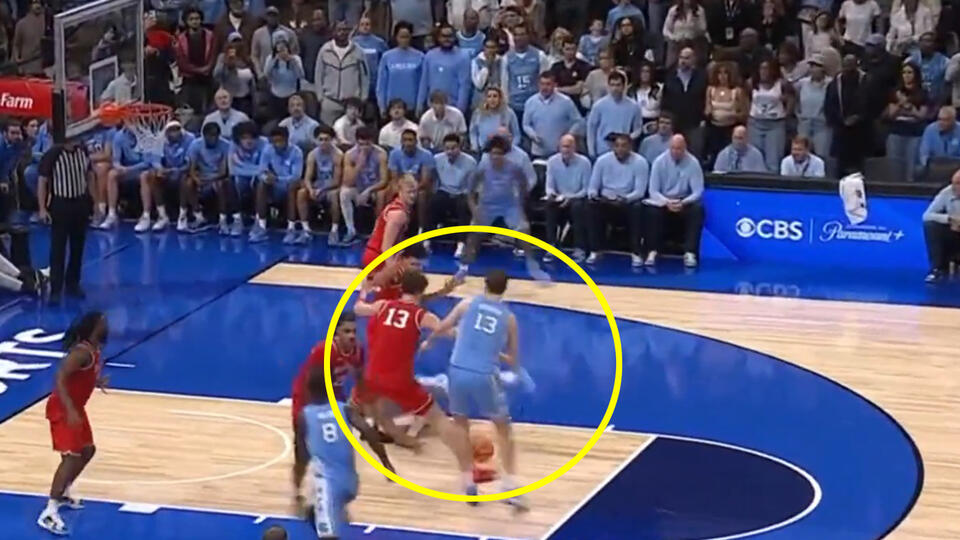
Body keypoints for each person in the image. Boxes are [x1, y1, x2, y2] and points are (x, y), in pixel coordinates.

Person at [352, 269, 475, 497]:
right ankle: (469, 478)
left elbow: (358, 308)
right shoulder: (421, 315)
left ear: (401, 288)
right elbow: (450, 332)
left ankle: (328, 453)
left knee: (354, 410)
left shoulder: (382, 305)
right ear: (420, 292)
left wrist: (363, 291)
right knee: (439, 421)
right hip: (400, 381)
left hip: (372, 377)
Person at [421, 269, 528, 510]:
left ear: (484, 285)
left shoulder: (467, 304)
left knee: (460, 425)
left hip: (457, 370)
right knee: (503, 428)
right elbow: (512, 359)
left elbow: (443, 326)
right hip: (484, 375)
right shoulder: (509, 318)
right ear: (505, 289)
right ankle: (509, 485)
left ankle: (468, 483)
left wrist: (429, 342)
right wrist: (510, 364)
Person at [290, 315, 393, 513]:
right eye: (347, 331)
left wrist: (363, 401)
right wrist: (314, 412)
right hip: (307, 397)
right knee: (302, 453)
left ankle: (335, 488)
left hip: (334, 394)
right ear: (336, 333)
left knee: (345, 439)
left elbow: (360, 377)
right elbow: (311, 382)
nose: (352, 336)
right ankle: (297, 490)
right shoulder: (324, 351)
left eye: (354, 331)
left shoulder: (357, 350)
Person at [37, 312, 109, 535]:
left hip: (76, 408)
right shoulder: (81, 352)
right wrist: (69, 409)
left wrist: (97, 381)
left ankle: (63, 492)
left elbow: (82, 377)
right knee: (71, 457)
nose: (107, 325)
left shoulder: (95, 350)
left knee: (87, 450)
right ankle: (49, 511)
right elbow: (60, 378)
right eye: (103, 322)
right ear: (94, 326)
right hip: (64, 408)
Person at [460, 136, 549, 282]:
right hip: (487, 205)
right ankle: (463, 268)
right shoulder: (482, 168)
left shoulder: (514, 167)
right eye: (493, 153)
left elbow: (524, 184)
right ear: (489, 154)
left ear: (505, 154)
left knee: (524, 229)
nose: (496, 156)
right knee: (473, 236)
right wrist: (475, 211)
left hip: (509, 206)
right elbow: (469, 192)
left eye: (499, 153)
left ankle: (532, 265)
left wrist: (519, 205)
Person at [295, 368, 358, 538]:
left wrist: (297, 483)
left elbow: (301, 457)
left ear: (309, 389)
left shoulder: (305, 416)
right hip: (351, 480)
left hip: (328, 482)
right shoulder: (344, 409)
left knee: (327, 535)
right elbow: (368, 431)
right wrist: (385, 463)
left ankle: (332, 512)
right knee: (311, 509)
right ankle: (334, 510)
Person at [37, 137, 91, 302]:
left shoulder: (83, 151)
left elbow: (89, 176)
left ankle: (73, 283)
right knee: (58, 248)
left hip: (80, 202)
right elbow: (42, 180)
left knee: (78, 246)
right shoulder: (53, 153)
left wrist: (95, 202)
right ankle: (56, 288)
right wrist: (42, 208)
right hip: (60, 204)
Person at [586, 133, 648, 266]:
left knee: (638, 207)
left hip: (627, 201)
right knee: (591, 206)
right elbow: (592, 187)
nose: (620, 149)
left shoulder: (640, 162)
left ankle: (636, 252)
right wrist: (595, 196)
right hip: (606, 201)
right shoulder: (602, 161)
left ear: (630, 147)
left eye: (624, 146)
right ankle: (595, 250)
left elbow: (639, 191)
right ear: (613, 147)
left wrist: (624, 199)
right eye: (617, 146)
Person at [645, 134, 704, 268]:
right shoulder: (659, 162)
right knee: (651, 211)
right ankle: (652, 251)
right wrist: (667, 202)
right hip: (663, 200)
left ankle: (690, 252)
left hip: (684, 201)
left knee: (697, 210)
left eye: (679, 148)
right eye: (673, 148)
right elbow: (653, 190)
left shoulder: (693, 163)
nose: (675, 151)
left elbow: (698, 191)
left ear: (685, 148)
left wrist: (683, 203)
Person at [248, 127, 304, 243]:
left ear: (287, 139)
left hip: (288, 186)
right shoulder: (268, 150)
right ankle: (261, 226)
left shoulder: (296, 152)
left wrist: (277, 179)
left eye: (280, 141)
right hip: (274, 186)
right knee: (261, 184)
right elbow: (261, 171)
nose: (277, 144)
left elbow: (296, 176)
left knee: (293, 185)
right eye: (274, 142)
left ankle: (291, 228)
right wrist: (267, 178)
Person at [137, 122, 194, 233]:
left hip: (182, 171)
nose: (175, 133)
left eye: (177, 130)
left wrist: (176, 170)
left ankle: (182, 216)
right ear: (167, 133)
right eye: (172, 131)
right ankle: (162, 216)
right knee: (152, 175)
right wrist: (161, 169)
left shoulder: (190, 139)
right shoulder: (160, 140)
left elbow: (190, 162)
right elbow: (155, 160)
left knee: (186, 178)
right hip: (167, 173)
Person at [545, 134, 590, 262]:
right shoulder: (552, 161)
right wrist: (552, 195)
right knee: (549, 205)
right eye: (564, 146)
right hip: (559, 198)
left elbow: (586, 189)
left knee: (578, 207)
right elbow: (549, 186)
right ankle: (551, 246)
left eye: (569, 147)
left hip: (577, 198)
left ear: (575, 148)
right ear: (559, 147)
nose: (566, 150)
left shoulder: (584, 163)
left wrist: (569, 198)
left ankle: (579, 248)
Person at [315, 21, 369, 127]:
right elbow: (318, 74)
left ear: (349, 32)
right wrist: (320, 97)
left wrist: (363, 98)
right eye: (339, 30)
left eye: (345, 30)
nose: (342, 32)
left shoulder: (358, 51)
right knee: (328, 131)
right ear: (333, 32)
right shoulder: (325, 50)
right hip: (329, 101)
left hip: (352, 102)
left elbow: (364, 76)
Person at [342, 127, 390, 243]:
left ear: (372, 142)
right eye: (361, 144)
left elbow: (384, 180)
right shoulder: (349, 154)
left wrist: (368, 191)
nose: (364, 148)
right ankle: (350, 230)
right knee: (344, 192)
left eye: (367, 144)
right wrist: (359, 165)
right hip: (357, 187)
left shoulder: (381, 154)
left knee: (381, 195)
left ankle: (377, 231)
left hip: (374, 188)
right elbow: (347, 181)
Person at [431, 133, 475, 257]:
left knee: (463, 206)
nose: (450, 151)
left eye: (453, 148)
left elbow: (471, 186)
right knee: (433, 202)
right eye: (447, 148)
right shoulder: (437, 159)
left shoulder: (470, 162)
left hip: (462, 193)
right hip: (444, 191)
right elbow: (434, 180)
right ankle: (427, 239)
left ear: (460, 147)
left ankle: (461, 243)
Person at [361, 174, 417, 271]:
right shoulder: (398, 214)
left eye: (414, 192)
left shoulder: (396, 206)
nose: (413, 195)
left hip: (374, 254)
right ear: (400, 191)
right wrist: (391, 270)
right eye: (409, 192)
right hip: (377, 257)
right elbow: (386, 247)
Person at [884, 62, 929, 182]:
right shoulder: (895, 92)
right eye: (904, 73)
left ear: (916, 75)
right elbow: (891, 114)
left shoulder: (922, 93)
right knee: (894, 166)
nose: (906, 75)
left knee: (911, 167)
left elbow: (921, 116)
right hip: (896, 132)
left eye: (910, 72)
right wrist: (901, 104)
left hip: (914, 134)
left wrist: (907, 107)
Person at [298, 125, 343, 245]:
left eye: (326, 139)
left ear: (332, 140)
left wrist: (322, 190)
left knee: (334, 196)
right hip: (317, 185)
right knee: (301, 193)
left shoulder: (338, 155)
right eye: (320, 139)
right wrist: (310, 189)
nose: (323, 142)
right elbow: (307, 178)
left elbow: (337, 181)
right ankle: (306, 230)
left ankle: (334, 230)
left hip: (331, 187)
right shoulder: (312, 154)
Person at [825, 54, 870, 175]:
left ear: (857, 66)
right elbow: (829, 104)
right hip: (841, 129)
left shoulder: (866, 80)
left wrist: (858, 117)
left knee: (859, 165)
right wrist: (841, 120)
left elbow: (871, 104)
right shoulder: (835, 83)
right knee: (840, 165)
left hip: (861, 130)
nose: (848, 69)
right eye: (846, 66)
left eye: (851, 66)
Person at [522, 71, 583, 159]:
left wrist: (568, 137)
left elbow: (578, 122)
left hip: (560, 152)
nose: (544, 87)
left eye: (548, 84)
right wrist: (533, 135)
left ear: (555, 85)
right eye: (542, 84)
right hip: (539, 151)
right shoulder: (530, 102)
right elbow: (526, 124)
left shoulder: (566, 102)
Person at [183, 122, 230, 234]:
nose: (212, 139)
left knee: (221, 184)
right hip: (202, 176)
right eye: (209, 136)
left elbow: (224, 171)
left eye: (215, 136)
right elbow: (191, 168)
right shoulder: (195, 144)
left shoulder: (226, 145)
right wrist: (196, 179)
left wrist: (211, 180)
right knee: (188, 183)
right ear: (204, 135)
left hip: (218, 177)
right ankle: (198, 216)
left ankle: (223, 220)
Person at [660, 47, 708, 157]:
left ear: (694, 59)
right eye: (681, 57)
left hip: (695, 123)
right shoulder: (670, 75)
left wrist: (704, 118)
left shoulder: (702, 76)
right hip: (674, 123)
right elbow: (665, 99)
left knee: (695, 153)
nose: (683, 61)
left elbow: (704, 98)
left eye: (687, 58)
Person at [387, 130, 434, 236]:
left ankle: (422, 229)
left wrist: (410, 190)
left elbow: (425, 180)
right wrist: (401, 189)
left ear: (416, 142)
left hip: (418, 187)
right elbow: (394, 177)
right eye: (405, 140)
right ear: (401, 142)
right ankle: (388, 225)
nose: (408, 143)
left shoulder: (426, 155)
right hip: (401, 186)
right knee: (389, 191)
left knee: (422, 195)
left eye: (410, 140)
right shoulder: (394, 154)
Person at [418, 23, 472, 115]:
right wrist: (419, 104)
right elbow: (424, 82)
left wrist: (461, 109)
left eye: (450, 36)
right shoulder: (429, 55)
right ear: (438, 38)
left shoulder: (463, 56)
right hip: (432, 107)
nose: (447, 39)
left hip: (453, 108)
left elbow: (464, 85)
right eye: (444, 36)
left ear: (454, 38)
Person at [502, 23, 551, 122]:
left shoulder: (540, 55)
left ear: (528, 36)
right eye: (516, 35)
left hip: (535, 104)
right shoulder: (506, 58)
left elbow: (546, 80)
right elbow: (504, 83)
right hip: (515, 105)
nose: (519, 38)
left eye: (522, 34)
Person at [586, 71, 642, 158]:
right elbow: (591, 129)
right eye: (612, 85)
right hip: (602, 150)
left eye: (618, 85)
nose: (615, 88)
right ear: (608, 86)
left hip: (623, 150)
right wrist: (591, 151)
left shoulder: (634, 106)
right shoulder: (599, 105)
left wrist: (627, 137)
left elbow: (638, 129)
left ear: (624, 86)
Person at [227, 122, 269, 237]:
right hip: (241, 178)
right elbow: (232, 170)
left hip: (258, 179)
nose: (249, 141)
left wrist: (245, 169)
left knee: (261, 182)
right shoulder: (233, 145)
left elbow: (264, 168)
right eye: (244, 138)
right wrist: (254, 170)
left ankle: (259, 222)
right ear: (238, 139)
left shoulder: (264, 143)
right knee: (230, 182)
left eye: (252, 138)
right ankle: (237, 220)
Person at [377, 22, 425, 115]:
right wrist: (381, 106)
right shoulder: (386, 57)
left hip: (412, 107)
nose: (404, 40)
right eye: (401, 37)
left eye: (406, 37)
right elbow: (381, 84)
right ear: (396, 37)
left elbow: (422, 84)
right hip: (392, 108)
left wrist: (420, 104)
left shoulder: (420, 56)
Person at [921, 170, 960, 282]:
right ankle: (937, 269)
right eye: (954, 184)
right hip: (955, 234)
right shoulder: (947, 192)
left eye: (959, 184)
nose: (955, 188)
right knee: (931, 225)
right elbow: (926, 216)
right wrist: (949, 219)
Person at [794, 54, 833, 158]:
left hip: (822, 125)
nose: (813, 69)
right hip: (804, 123)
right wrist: (798, 112)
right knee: (801, 154)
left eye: (816, 66)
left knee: (822, 155)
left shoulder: (831, 83)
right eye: (811, 66)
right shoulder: (802, 83)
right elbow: (791, 93)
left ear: (823, 68)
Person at [469, 86, 520, 151]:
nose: (492, 99)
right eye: (489, 96)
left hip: (504, 150)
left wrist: (512, 148)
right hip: (483, 149)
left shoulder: (509, 113)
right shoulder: (478, 113)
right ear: (485, 99)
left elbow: (516, 135)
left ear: (500, 98)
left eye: (495, 96)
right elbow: (473, 132)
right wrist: (475, 146)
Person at [908, 32, 948, 107]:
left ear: (935, 44)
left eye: (930, 41)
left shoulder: (945, 62)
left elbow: (948, 84)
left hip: (937, 101)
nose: (927, 44)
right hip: (914, 101)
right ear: (919, 43)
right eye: (924, 41)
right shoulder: (910, 60)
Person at [551, 38, 592, 107]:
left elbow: (578, 89)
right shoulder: (556, 67)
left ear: (576, 50)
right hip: (558, 102)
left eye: (573, 49)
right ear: (563, 50)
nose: (570, 52)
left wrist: (559, 89)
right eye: (567, 49)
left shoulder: (584, 66)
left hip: (577, 103)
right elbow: (552, 86)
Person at [918, 106, 960, 171]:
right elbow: (924, 153)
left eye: (946, 120)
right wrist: (928, 165)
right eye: (940, 119)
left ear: (953, 120)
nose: (941, 123)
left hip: (956, 166)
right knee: (920, 170)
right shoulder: (930, 129)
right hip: (935, 165)